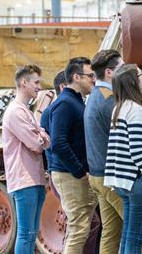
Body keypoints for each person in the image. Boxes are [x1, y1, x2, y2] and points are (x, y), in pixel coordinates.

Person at [104, 64, 142, 254]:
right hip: (139, 181)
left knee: (129, 238)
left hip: (125, 181)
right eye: (141, 74)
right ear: (134, 81)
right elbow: (138, 152)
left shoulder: (120, 108)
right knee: (135, 240)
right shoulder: (136, 111)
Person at [84, 50, 138, 254]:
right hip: (112, 176)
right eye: (122, 68)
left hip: (100, 175)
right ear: (109, 73)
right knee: (140, 228)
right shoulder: (109, 99)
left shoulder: (97, 96)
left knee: (112, 231)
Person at [41, 70, 101, 254]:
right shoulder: (63, 105)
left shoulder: (73, 103)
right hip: (69, 173)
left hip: (74, 171)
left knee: (87, 225)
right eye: (89, 75)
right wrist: (80, 170)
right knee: (79, 227)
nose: (93, 79)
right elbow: (57, 144)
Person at [2, 65, 49, 254]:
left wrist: (40, 135)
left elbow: (45, 140)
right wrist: (40, 134)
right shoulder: (15, 112)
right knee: (26, 233)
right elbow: (38, 144)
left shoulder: (26, 111)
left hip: (33, 178)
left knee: (31, 233)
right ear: (24, 82)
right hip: (24, 180)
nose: (39, 86)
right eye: (36, 82)